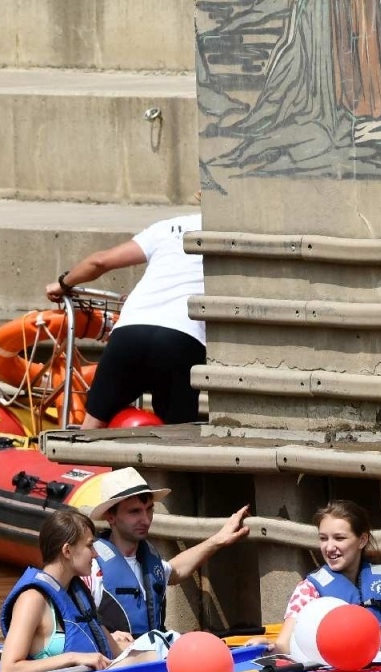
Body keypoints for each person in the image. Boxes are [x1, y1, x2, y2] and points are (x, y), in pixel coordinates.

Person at [44, 213, 205, 426]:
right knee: (180, 439)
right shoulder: (237, 236)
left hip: (131, 331)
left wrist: (64, 283)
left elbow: (99, 262)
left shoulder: (168, 228)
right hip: (184, 337)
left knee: (90, 431)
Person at [83, 467, 250, 637]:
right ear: (110, 517)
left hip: (155, 657)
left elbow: (176, 570)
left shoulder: (148, 559)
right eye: (135, 511)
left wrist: (218, 539)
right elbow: (74, 628)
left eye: (149, 509)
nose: (146, 519)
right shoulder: (92, 565)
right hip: (116, 661)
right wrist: (108, 638)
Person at [0, 510, 135, 672]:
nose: (95, 554)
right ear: (67, 551)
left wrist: (159, 644)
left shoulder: (78, 596)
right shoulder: (32, 599)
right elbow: (8, 670)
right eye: (89, 545)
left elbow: (115, 651)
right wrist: (72, 658)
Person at [274, 500, 381, 655]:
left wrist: (373, 639)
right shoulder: (308, 589)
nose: (329, 547)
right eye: (323, 538)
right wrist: (269, 648)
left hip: (379, 652)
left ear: (362, 540)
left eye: (339, 538)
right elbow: (284, 643)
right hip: (334, 662)